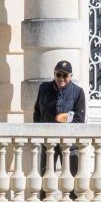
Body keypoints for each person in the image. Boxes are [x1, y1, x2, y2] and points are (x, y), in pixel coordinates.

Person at [31, 60, 86, 188]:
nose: (61, 78)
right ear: (54, 74)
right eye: (59, 75)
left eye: (65, 75)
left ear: (70, 76)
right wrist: (39, 133)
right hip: (48, 140)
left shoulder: (78, 92)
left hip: (69, 143)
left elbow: (79, 119)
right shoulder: (44, 88)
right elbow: (37, 112)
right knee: (46, 178)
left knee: (71, 179)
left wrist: (64, 118)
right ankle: (44, 201)